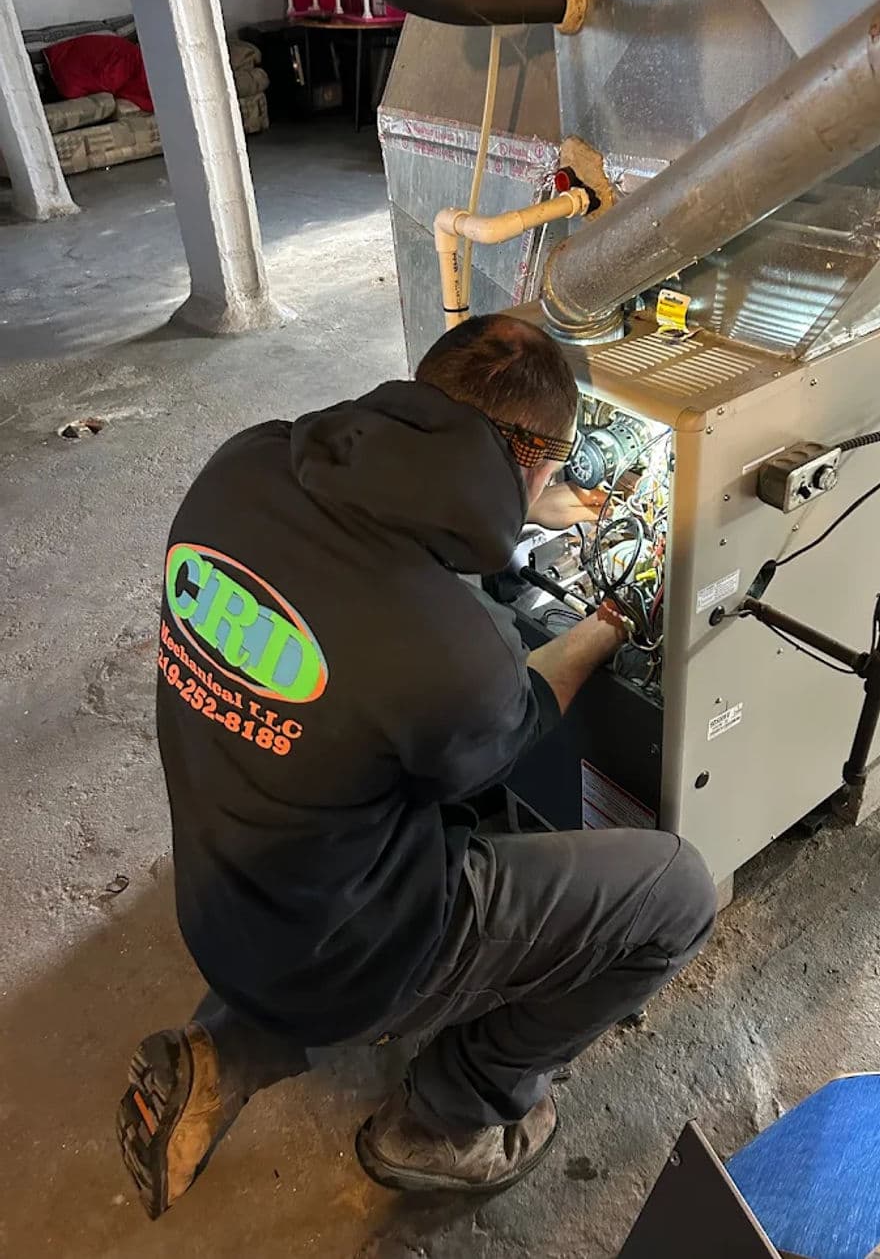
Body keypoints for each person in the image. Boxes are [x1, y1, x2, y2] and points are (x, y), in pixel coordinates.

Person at [117, 313, 717, 1218]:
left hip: (222, 898)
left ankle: (222, 1053)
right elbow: (503, 731)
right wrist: (607, 624)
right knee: (679, 890)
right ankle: (453, 1116)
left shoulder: (241, 465)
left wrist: (510, 505)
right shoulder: (450, 653)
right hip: (348, 945)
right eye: (552, 469)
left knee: (339, 811)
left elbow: (354, 598)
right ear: (533, 459)